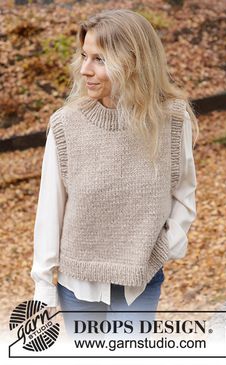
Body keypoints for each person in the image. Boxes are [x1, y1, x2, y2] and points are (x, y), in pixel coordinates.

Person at [31, 8, 199, 341]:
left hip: (140, 280)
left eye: (99, 59)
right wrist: (43, 287)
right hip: (77, 285)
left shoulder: (173, 121)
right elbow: (50, 210)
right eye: (84, 56)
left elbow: (184, 193)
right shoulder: (65, 125)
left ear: (133, 62)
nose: (85, 70)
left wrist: (166, 246)